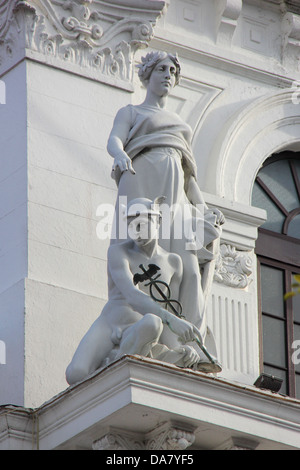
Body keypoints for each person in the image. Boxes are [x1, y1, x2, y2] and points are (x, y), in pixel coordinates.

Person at [106, 51, 224, 350]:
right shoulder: (131, 112)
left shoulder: (180, 124)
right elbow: (115, 140)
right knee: (139, 250)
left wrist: (205, 210)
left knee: (187, 263)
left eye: (173, 70)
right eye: (161, 68)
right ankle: (140, 326)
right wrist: (120, 154)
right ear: (147, 74)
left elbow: (190, 178)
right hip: (138, 179)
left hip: (174, 193)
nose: (168, 74)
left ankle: (189, 340)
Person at [66, 197, 215, 386]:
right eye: (131, 226)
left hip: (142, 329)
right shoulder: (118, 252)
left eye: (142, 225)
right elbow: (131, 294)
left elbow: (167, 310)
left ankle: (116, 365)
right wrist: (172, 320)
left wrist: (181, 346)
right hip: (111, 322)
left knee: (153, 322)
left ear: (157, 221)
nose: (136, 232)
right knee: (76, 374)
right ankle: (114, 362)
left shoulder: (173, 262)